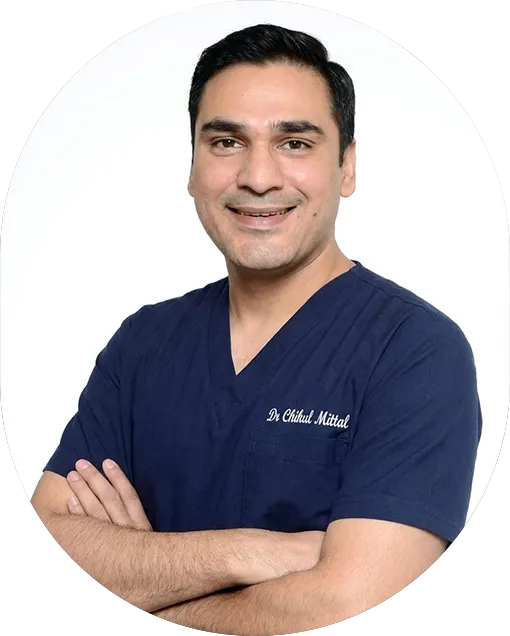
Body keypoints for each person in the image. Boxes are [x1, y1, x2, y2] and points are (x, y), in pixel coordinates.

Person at [31, 23, 482, 633]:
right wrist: (254, 553)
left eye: (295, 143)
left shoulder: (414, 352)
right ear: (193, 166)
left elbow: (350, 607)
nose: (259, 176)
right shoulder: (143, 345)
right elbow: (55, 535)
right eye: (226, 142)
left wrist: (145, 582)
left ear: (346, 166)